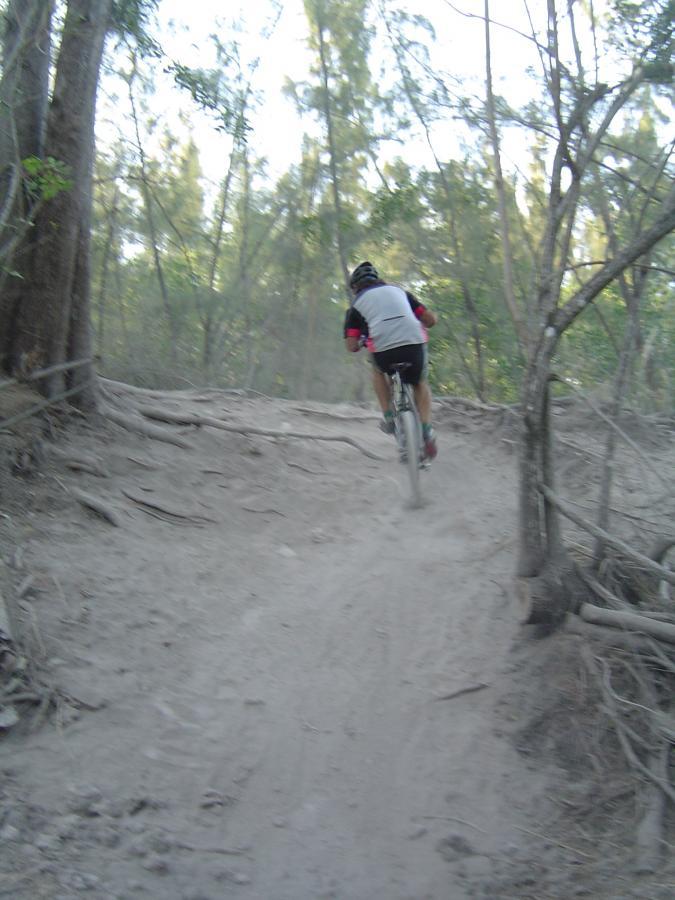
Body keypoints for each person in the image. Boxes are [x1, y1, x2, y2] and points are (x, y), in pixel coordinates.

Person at [343, 261, 438, 460]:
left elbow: (351, 346)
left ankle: (389, 418)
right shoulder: (400, 292)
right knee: (420, 382)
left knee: (378, 372)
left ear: (355, 288)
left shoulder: (355, 306)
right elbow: (430, 320)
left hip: (384, 351)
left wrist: (362, 340)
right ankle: (427, 430)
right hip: (413, 343)